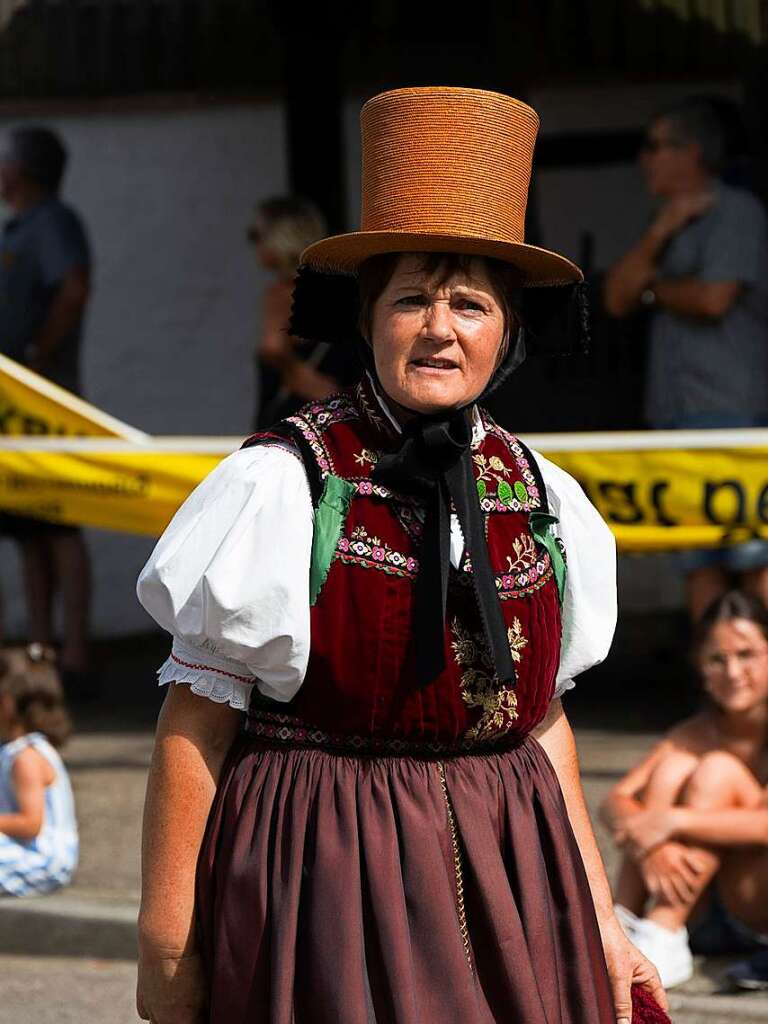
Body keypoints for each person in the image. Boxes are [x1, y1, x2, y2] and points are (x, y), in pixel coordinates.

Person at [136, 87, 668, 1024]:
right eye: (412, 298)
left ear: (505, 331)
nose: (439, 327)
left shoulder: (542, 493)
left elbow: (542, 725)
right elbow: (198, 720)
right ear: (368, 317)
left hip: (513, 875)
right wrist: (169, 944)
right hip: (328, 875)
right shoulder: (284, 483)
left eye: (469, 302)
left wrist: (602, 922)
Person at [603, 98, 768, 620]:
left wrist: (655, 288)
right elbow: (615, 298)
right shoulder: (665, 220)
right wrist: (660, 235)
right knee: (698, 562)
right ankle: (718, 695)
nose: (644, 160)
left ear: (690, 151)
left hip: (732, 412)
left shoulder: (738, 211)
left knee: (756, 559)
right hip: (675, 414)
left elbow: (714, 299)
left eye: (654, 146)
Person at [601, 591, 768, 990]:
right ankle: (631, 923)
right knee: (672, 767)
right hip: (701, 902)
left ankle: (661, 925)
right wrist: (655, 846)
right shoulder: (693, 731)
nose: (732, 671)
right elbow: (613, 802)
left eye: (746, 654)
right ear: (702, 670)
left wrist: (673, 821)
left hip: (755, 906)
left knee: (716, 771)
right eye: (717, 659)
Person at [0, 125, 93, 695]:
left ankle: (77, 654)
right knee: (28, 529)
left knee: (59, 523)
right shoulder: (20, 226)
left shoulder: (55, 222)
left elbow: (73, 288)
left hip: (45, 403)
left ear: (24, 170)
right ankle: (41, 651)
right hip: (16, 409)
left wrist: (37, 352)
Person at [248, 195, 356, 428]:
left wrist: (293, 371)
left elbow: (272, 347)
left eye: (255, 235)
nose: (254, 245)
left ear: (280, 237)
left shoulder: (280, 294)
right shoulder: (341, 287)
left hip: (293, 416)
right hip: (338, 419)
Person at [0, 644, 78, 896]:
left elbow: (31, 823)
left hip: (44, 862)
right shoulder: (18, 751)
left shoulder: (27, 757)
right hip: (28, 854)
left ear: (8, 703)